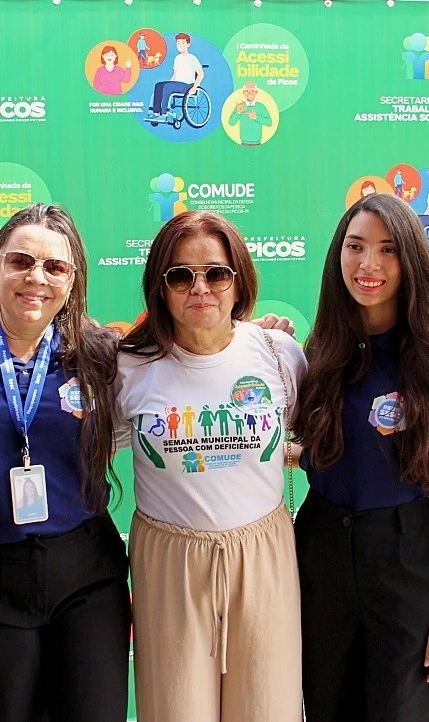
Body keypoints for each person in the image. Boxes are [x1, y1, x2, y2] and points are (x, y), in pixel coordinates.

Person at [0, 203, 130, 722]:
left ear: (72, 280)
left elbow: (184, 367)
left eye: (54, 267)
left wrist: (253, 334)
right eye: (21, 262)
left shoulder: (98, 352)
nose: (36, 278)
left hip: (86, 571)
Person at [292, 194, 429, 722]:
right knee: (326, 707)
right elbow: (326, 450)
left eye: (387, 249)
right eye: (355, 247)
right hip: (321, 552)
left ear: (410, 260)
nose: (368, 264)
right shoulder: (319, 352)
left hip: (403, 558)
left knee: (402, 709)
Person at [117, 210, 307, 722]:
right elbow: (92, 448)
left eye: (217, 273)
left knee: (267, 709)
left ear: (239, 280)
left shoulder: (278, 354)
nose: (200, 288)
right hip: (170, 562)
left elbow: (309, 441)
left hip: (263, 555)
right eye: (181, 275)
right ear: (160, 287)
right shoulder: (129, 367)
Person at [145, 32, 204, 120]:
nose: (180, 45)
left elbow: (201, 74)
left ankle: (164, 114)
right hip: (177, 84)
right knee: (159, 85)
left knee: (167, 87)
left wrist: (195, 87)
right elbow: (175, 74)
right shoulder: (177, 58)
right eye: (178, 43)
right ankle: (155, 112)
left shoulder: (192, 58)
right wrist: (168, 83)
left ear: (188, 44)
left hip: (187, 85)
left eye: (183, 43)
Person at [227, 82, 273, 146]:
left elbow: (269, 123)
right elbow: (231, 122)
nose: (250, 93)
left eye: (252, 91)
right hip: (243, 142)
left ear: (256, 92)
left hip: (257, 142)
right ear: (243, 92)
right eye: (247, 90)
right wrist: (238, 112)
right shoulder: (240, 106)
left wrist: (256, 117)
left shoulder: (261, 106)